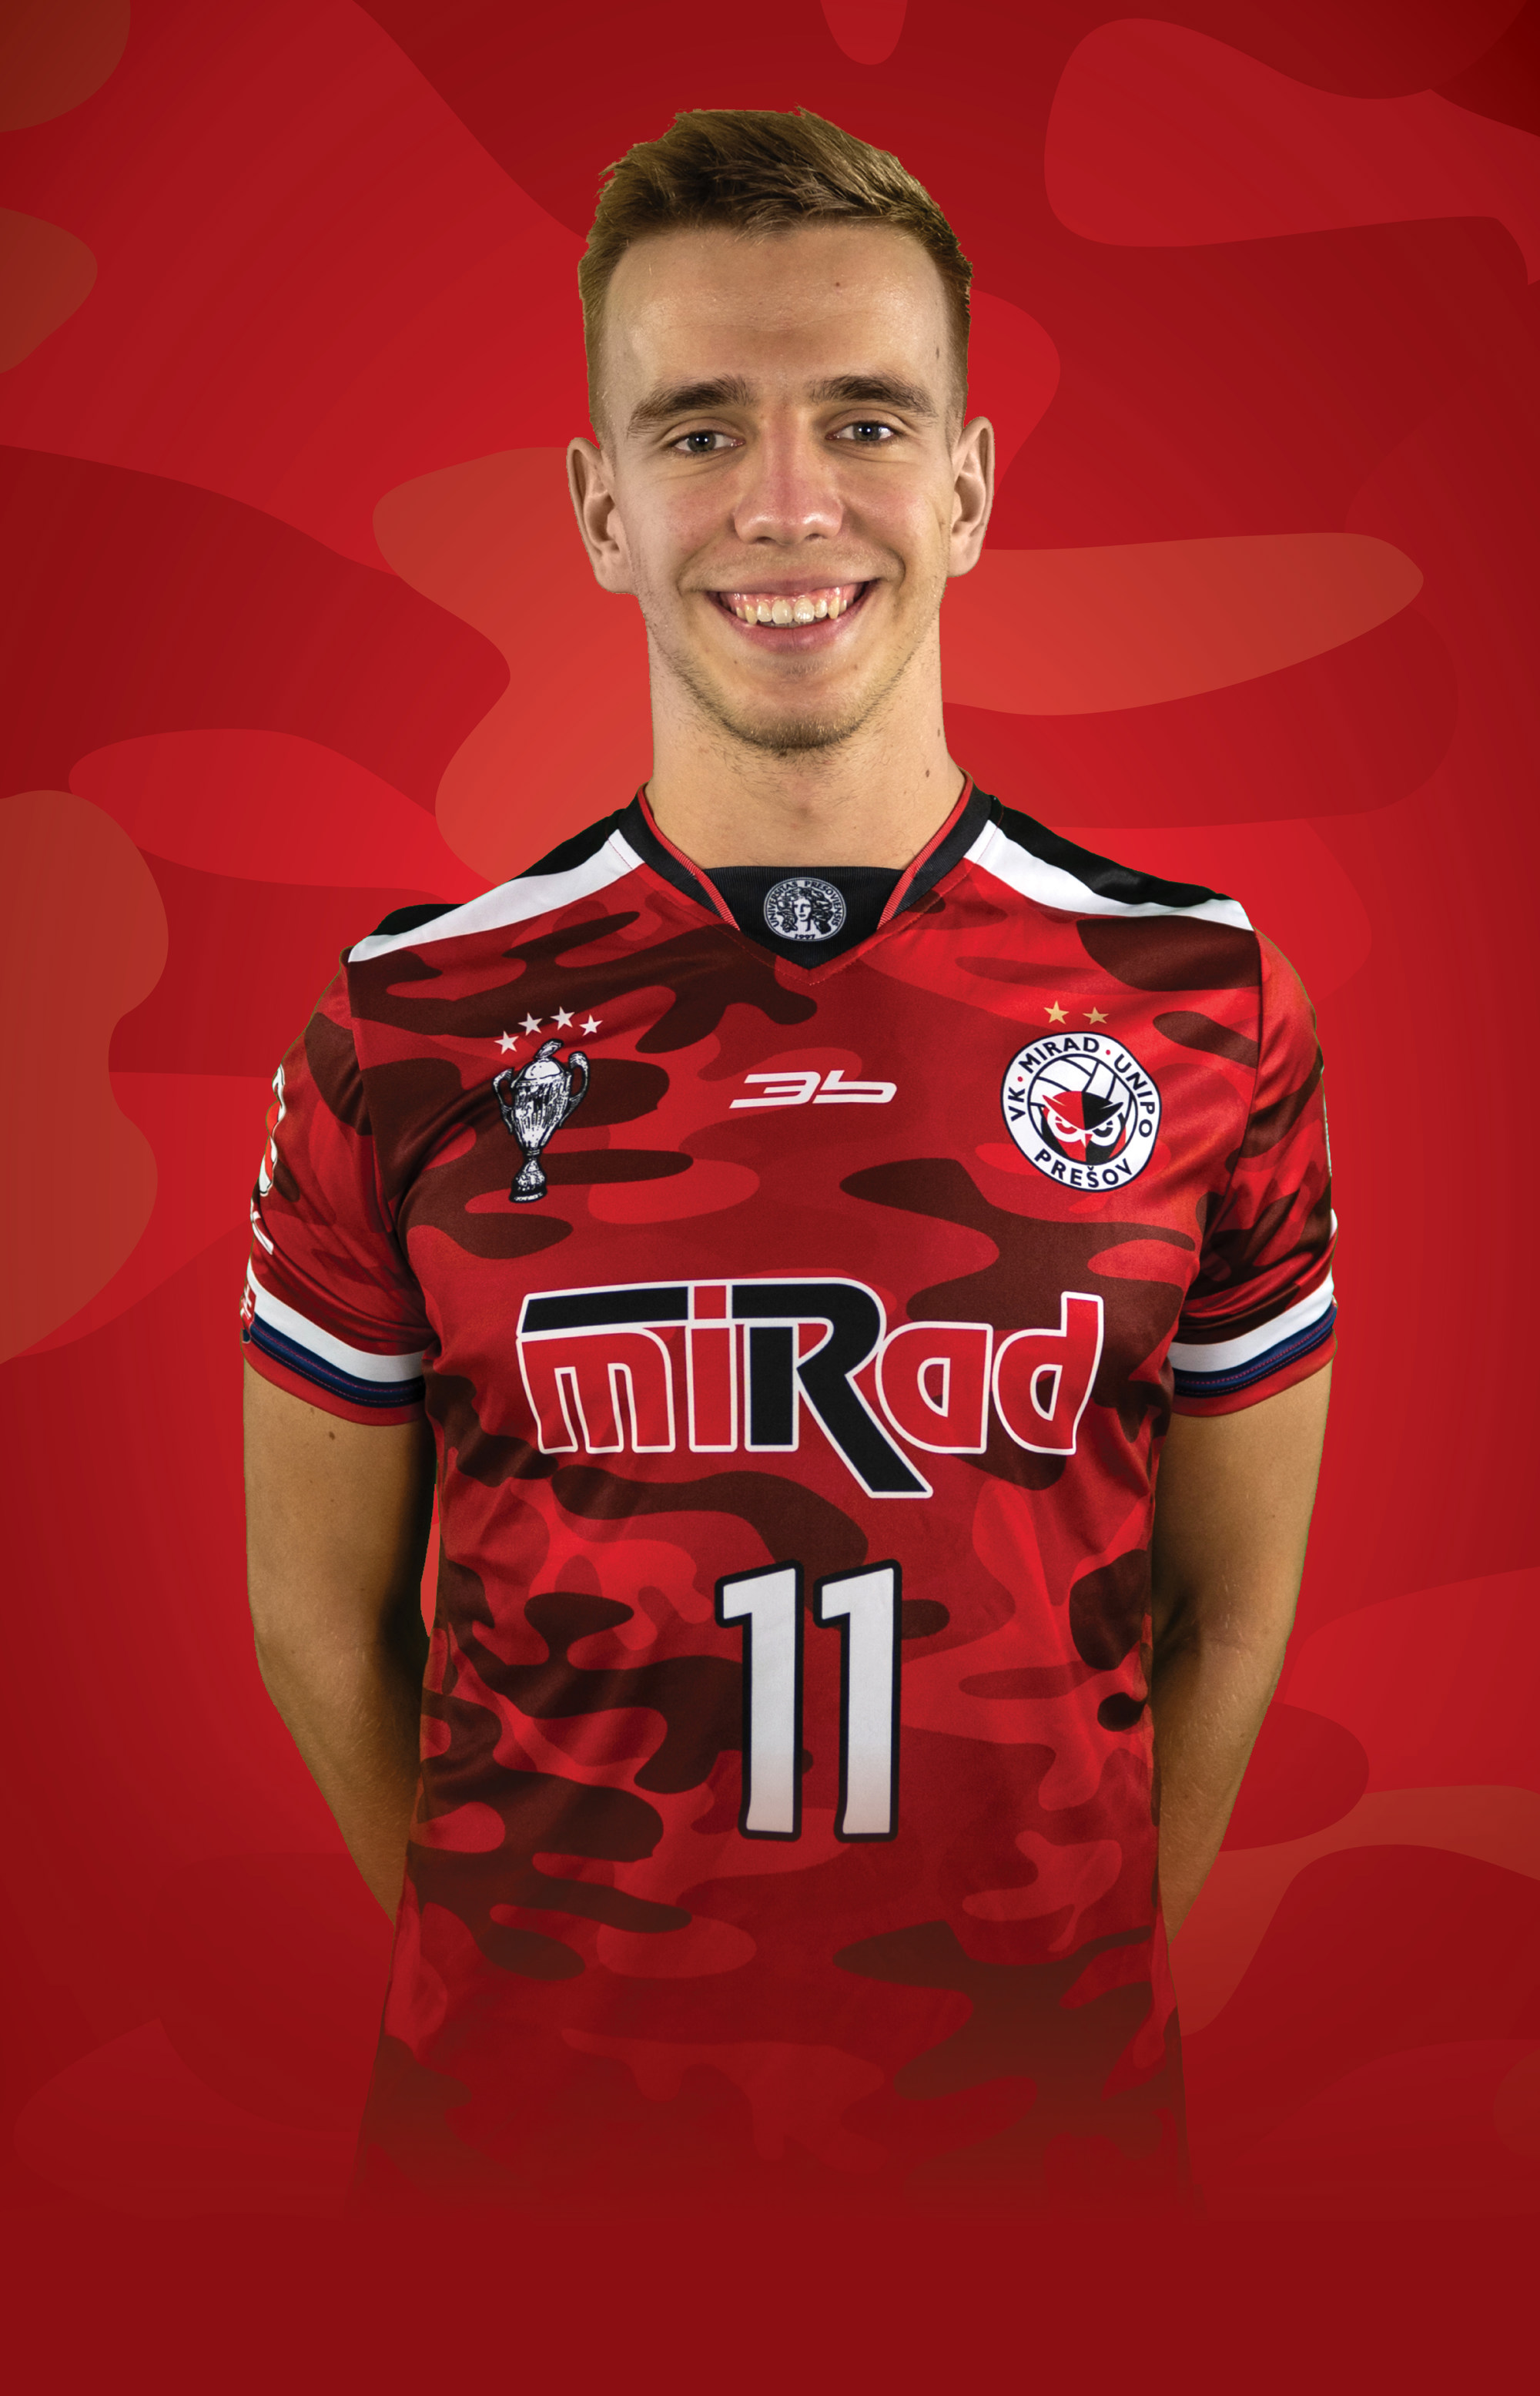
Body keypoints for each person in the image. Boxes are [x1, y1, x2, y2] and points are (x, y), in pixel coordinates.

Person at [241, 107, 1334, 2216]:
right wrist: (529, 2004)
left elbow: (1225, 1617)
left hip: (1044, 2181)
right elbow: (315, 1624)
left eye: (862, 418)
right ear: (599, 507)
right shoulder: (408, 1024)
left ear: (971, 485)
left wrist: (1059, 2000)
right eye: (699, 431)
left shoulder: (1201, 1005)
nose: (788, 502)